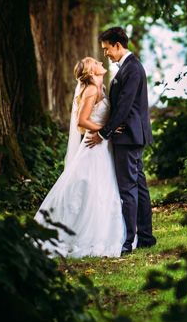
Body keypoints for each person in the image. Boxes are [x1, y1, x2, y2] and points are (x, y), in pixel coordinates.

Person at [33, 57, 125, 258]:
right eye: (95, 62)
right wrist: (106, 130)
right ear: (91, 71)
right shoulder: (91, 90)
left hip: (102, 145)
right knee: (90, 188)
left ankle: (101, 231)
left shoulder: (99, 88)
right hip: (94, 146)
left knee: (101, 188)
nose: (100, 61)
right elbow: (82, 122)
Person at [84, 27, 157, 254]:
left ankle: (128, 241)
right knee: (140, 188)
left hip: (128, 136)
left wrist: (104, 133)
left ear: (117, 44)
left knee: (128, 189)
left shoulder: (132, 68)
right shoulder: (126, 67)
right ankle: (145, 237)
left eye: (106, 49)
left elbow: (124, 106)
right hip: (130, 135)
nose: (105, 54)